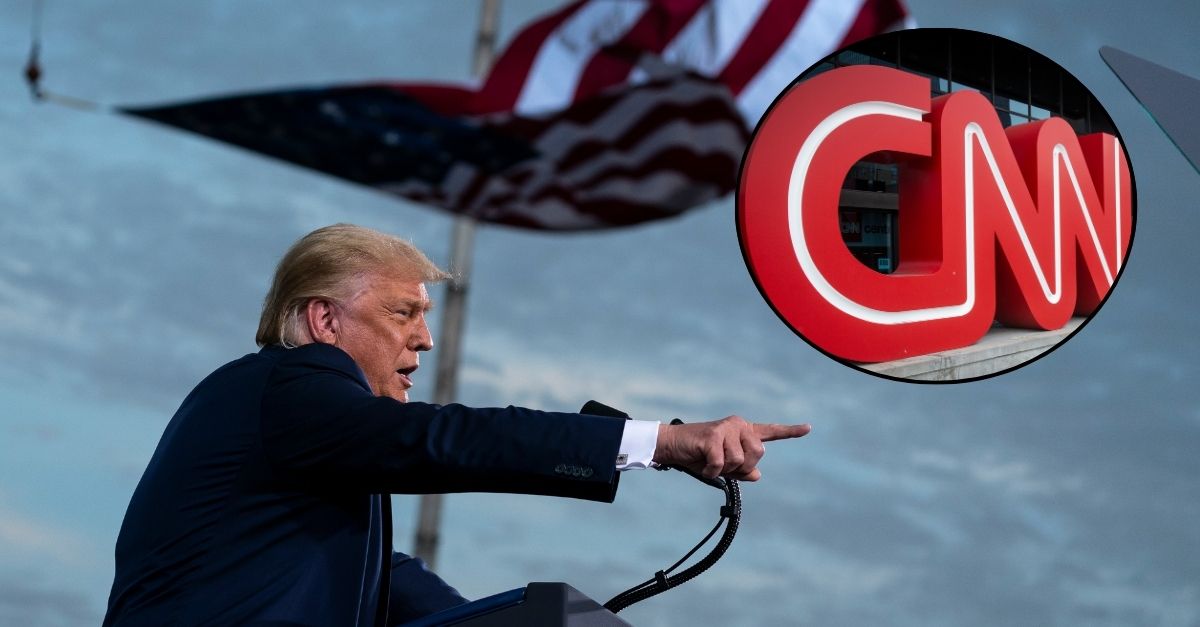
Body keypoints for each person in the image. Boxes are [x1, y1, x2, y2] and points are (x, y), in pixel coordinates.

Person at [102, 223, 811, 626]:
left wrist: (502, 622)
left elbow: (379, 576)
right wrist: (658, 441)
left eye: (426, 318)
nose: (425, 341)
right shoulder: (293, 383)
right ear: (324, 320)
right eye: (402, 313)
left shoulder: (292, 422)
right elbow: (448, 439)